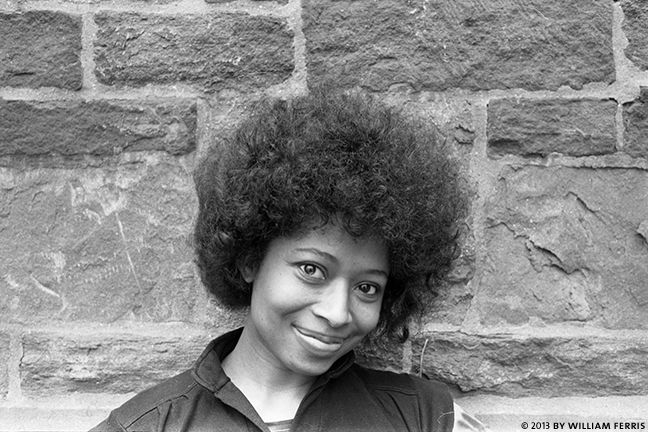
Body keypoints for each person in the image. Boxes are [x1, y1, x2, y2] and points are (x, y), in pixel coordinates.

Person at [91, 89, 487, 431]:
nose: (337, 314)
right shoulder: (145, 425)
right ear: (249, 259)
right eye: (312, 270)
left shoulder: (428, 418)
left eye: (367, 287)